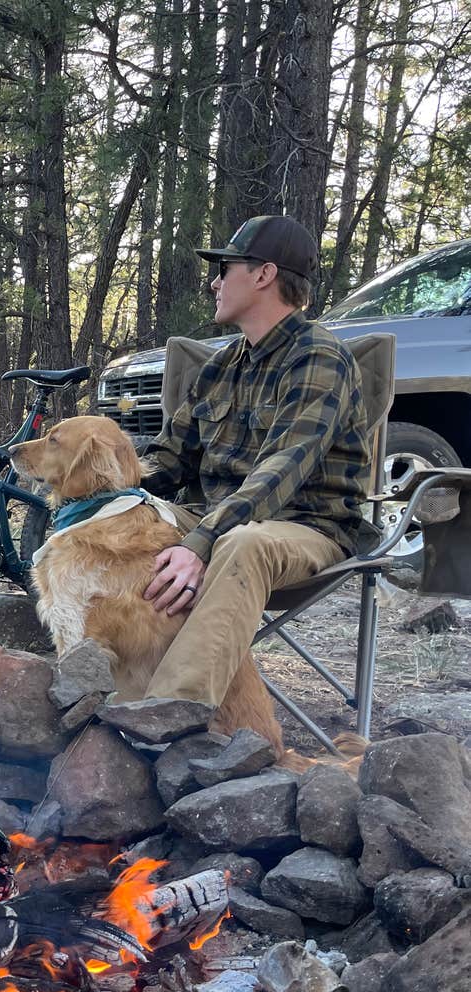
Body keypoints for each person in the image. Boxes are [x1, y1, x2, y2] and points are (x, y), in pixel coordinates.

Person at [137, 214, 380, 712]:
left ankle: (168, 718)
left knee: (244, 543)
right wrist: (108, 497)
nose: (214, 281)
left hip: (304, 528)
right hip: (218, 520)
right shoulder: (222, 365)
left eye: (225, 268)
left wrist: (201, 540)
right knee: (124, 525)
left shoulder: (321, 358)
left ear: (264, 275)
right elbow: (167, 458)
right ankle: (110, 686)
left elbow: (281, 471)